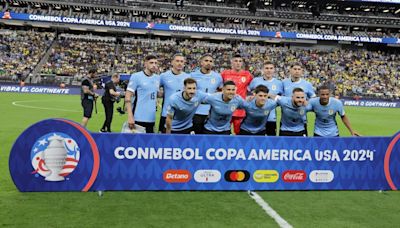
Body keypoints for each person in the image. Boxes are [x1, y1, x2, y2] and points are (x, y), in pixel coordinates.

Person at [125, 55, 160, 133]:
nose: (154, 65)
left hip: (152, 119)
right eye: (151, 63)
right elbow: (127, 97)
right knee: (136, 144)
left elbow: (155, 94)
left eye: (155, 63)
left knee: (149, 144)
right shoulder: (136, 76)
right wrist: (130, 117)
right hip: (138, 118)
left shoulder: (157, 78)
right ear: (145, 64)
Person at [190, 54, 223, 134]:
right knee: (196, 137)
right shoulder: (192, 75)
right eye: (206, 60)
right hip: (196, 111)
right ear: (201, 62)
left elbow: (221, 91)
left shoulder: (217, 77)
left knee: (208, 137)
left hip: (211, 113)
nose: (209, 63)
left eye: (211, 61)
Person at [248, 61, 283, 136]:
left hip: (271, 117)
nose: (269, 70)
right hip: (256, 115)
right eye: (266, 68)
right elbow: (249, 94)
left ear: (274, 70)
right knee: (256, 140)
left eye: (271, 68)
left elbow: (281, 99)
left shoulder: (279, 83)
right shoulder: (255, 81)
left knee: (271, 141)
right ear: (263, 70)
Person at [221, 54, 253, 135]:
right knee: (223, 132)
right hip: (226, 108)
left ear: (242, 63)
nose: (238, 63)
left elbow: (253, 88)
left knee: (239, 134)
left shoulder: (247, 75)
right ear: (231, 62)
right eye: (235, 61)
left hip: (240, 110)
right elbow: (219, 88)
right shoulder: (225, 73)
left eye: (240, 61)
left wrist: (250, 96)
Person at [159, 53, 190, 133]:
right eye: (177, 61)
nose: (179, 63)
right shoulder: (163, 76)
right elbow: (154, 89)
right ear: (172, 62)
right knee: (164, 141)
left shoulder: (188, 77)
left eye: (181, 61)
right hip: (166, 114)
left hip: (182, 115)